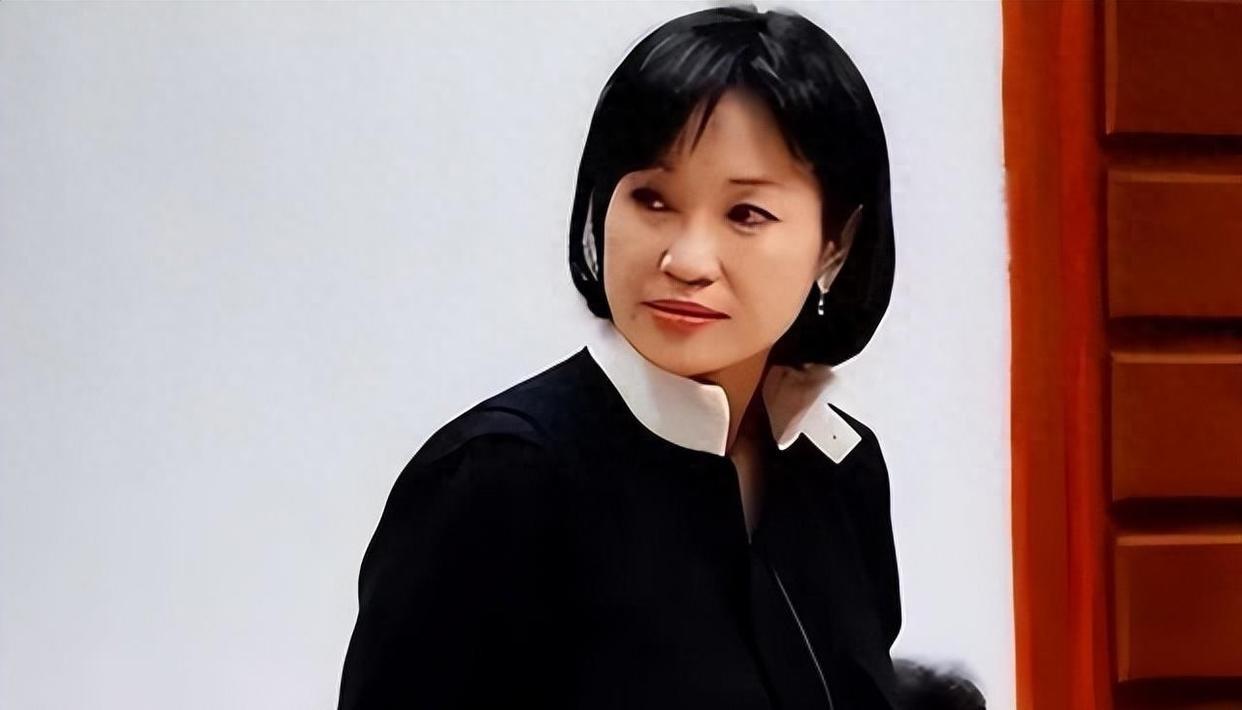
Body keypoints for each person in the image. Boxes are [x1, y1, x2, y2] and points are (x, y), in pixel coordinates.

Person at [337, 5, 965, 709]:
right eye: (652, 199)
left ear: (835, 246)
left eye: (746, 214)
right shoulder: (499, 480)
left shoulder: (841, 471)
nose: (687, 260)